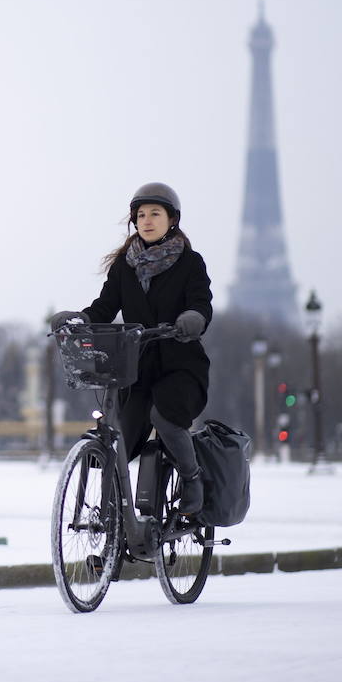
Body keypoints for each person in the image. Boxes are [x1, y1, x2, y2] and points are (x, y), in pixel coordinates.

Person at [52, 182, 214, 515]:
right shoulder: (124, 266)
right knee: (120, 436)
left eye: (155, 213)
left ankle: (192, 478)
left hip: (180, 366)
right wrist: (81, 319)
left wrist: (193, 318)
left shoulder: (190, 262)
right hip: (137, 369)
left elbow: (201, 302)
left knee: (164, 415)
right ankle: (113, 517)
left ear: (172, 220)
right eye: (141, 215)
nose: (147, 220)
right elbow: (104, 306)